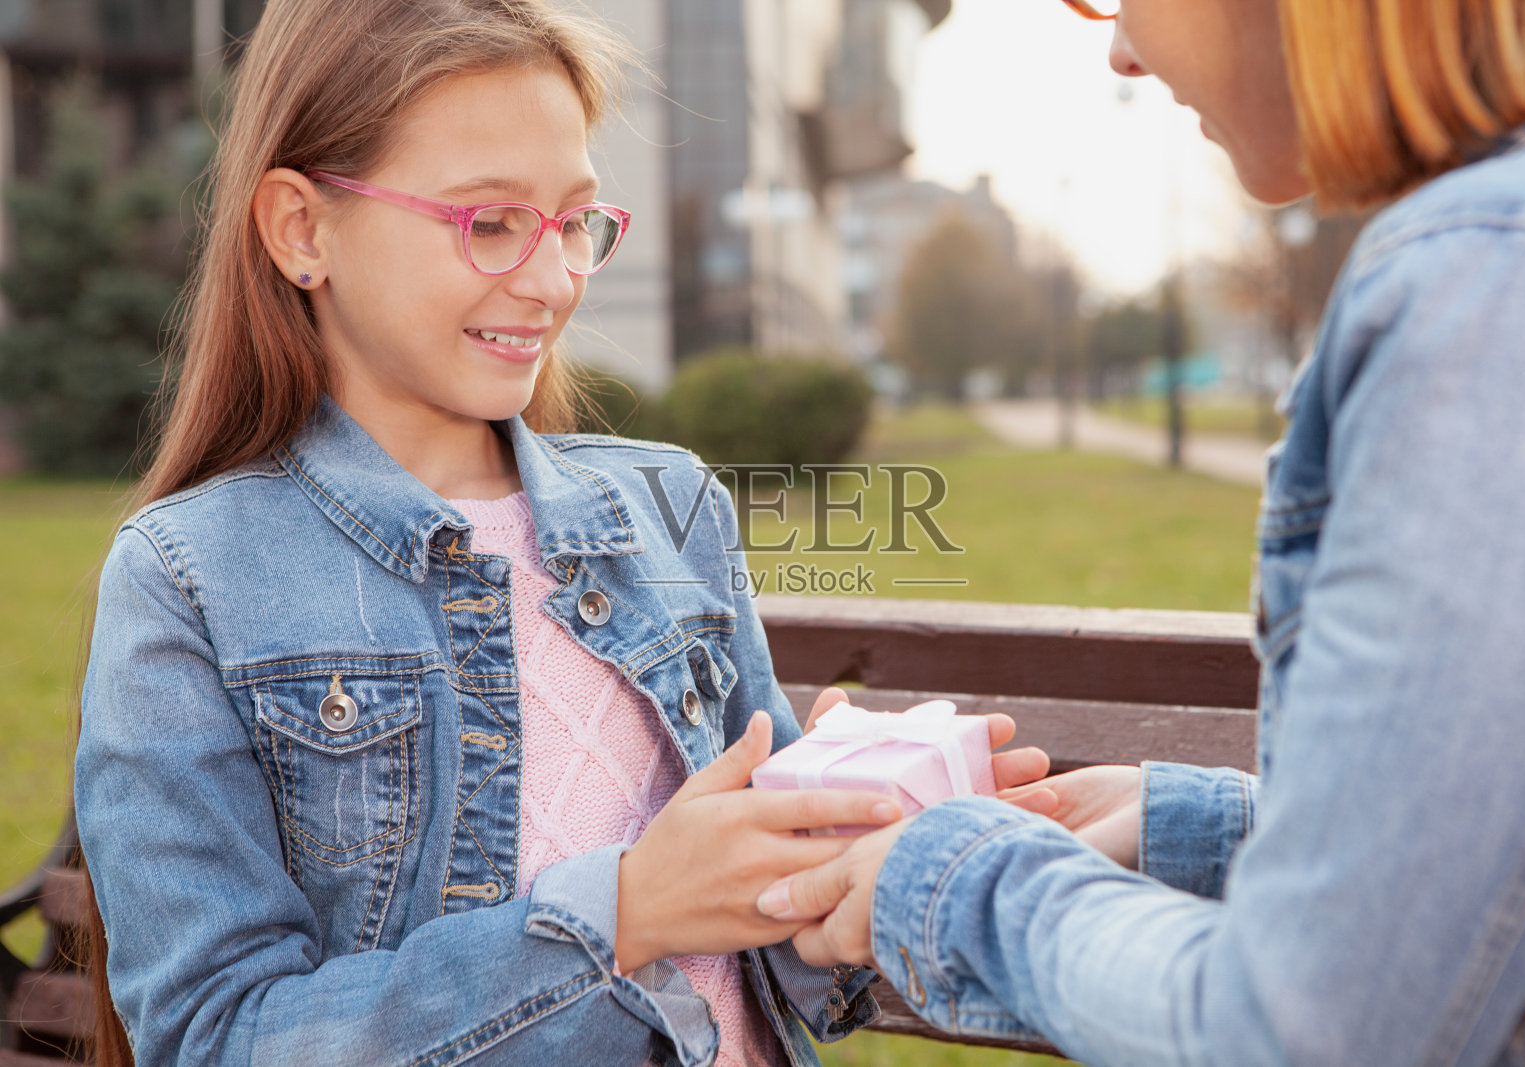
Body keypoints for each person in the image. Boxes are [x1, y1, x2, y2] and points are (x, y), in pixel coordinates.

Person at [70, 1, 1058, 1063]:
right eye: (487, 220)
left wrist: (890, 847)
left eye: (573, 220)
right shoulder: (194, 576)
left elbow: (779, 956)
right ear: (302, 229)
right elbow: (215, 1038)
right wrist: (624, 912)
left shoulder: (672, 508)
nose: (552, 280)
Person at [757, 0, 1525, 1062]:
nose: (1117, 46)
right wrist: (1187, 829)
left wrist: (948, 874)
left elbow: (1303, 1033)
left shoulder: (1502, 282)